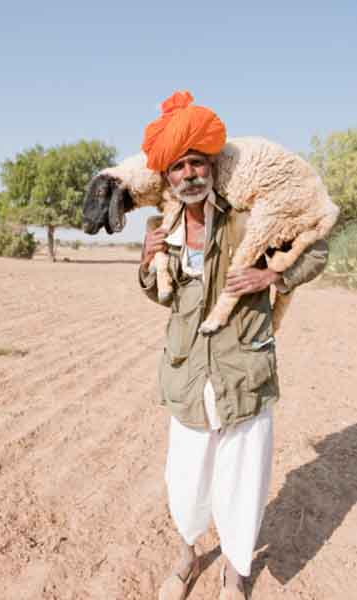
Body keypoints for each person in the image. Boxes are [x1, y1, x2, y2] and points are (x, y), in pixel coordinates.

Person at [138, 91, 328, 600]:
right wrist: (146, 262)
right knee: (185, 480)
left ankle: (236, 573)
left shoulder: (250, 217)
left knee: (243, 481)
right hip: (186, 374)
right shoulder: (165, 226)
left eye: (196, 163)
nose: (188, 175)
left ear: (211, 166)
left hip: (243, 369)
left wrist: (272, 275)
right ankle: (188, 557)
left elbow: (317, 247)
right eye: (177, 168)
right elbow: (166, 299)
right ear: (168, 177)